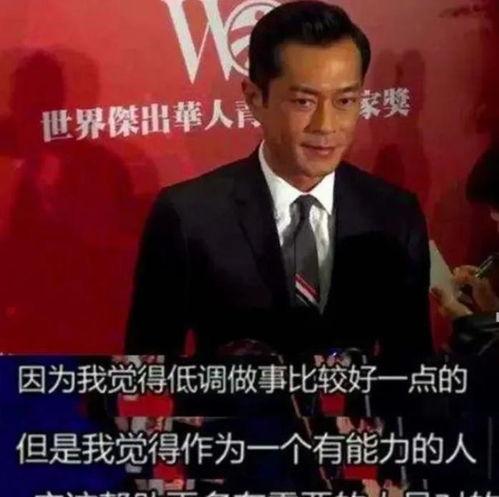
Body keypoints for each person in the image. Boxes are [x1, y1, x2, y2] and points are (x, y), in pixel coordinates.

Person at [126, 1, 432, 367]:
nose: (326, 125)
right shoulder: (189, 216)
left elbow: (412, 366)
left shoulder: (394, 215)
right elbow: (146, 369)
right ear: (255, 99)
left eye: (345, 100)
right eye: (303, 101)